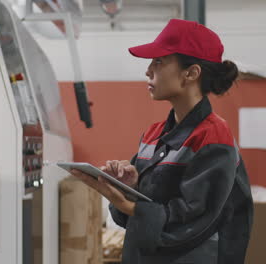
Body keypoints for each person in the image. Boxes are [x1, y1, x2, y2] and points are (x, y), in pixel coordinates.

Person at [70, 19, 253, 264]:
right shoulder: (153, 136)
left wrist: (125, 203)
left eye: (159, 62)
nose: (148, 70)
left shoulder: (213, 138)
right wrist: (130, 186)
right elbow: (135, 218)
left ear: (191, 73)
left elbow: (190, 222)